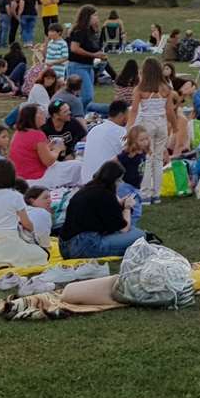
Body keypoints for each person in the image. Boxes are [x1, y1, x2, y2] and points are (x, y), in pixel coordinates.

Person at [59, 162, 146, 259]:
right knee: (140, 235)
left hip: (65, 246)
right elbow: (123, 228)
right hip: (84, 246)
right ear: (115, 180)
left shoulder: (87, 189)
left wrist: (119, 204)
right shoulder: (106, 195)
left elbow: (102, 213)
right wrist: (127, 208)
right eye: (119, 181)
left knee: (133, 231)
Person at [0, 161, 52, 269]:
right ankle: (9, 260)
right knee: (42, 255)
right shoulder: (15, 196)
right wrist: (30, 229)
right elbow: (27, 223)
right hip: (10, 242)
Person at [129, 58, 172, 201]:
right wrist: (175, 125)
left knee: (146, 158)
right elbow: (169, 110)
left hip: (147, 124)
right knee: (158, 159)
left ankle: (146, 193)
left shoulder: (140, 89)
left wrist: (130, 127)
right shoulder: (166, 88)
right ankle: (156, 193)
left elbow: (134, 110)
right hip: (162, 123)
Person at [7, 104, 56, 182]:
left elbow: (31, 152)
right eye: (40, 113)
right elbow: (48, 161)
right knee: (74, 166)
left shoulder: (18, 133)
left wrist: (48, 147)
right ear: (32, 117)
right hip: (36, 178)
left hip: (18, 177)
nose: (44, 115)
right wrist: (57, 149)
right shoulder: (38, 135)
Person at [68, 4, 104, 110]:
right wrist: (93, 55)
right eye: (95, 15)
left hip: (89, 66)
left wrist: (99, 54)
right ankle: (74, 112)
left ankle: (82, 118)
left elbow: (95, 47)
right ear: (87, 17)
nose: (97, 18)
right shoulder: (79, 31)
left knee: (89, 97)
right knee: (86, 96)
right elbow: (74, 48)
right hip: (78, 65)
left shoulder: (92, 32)